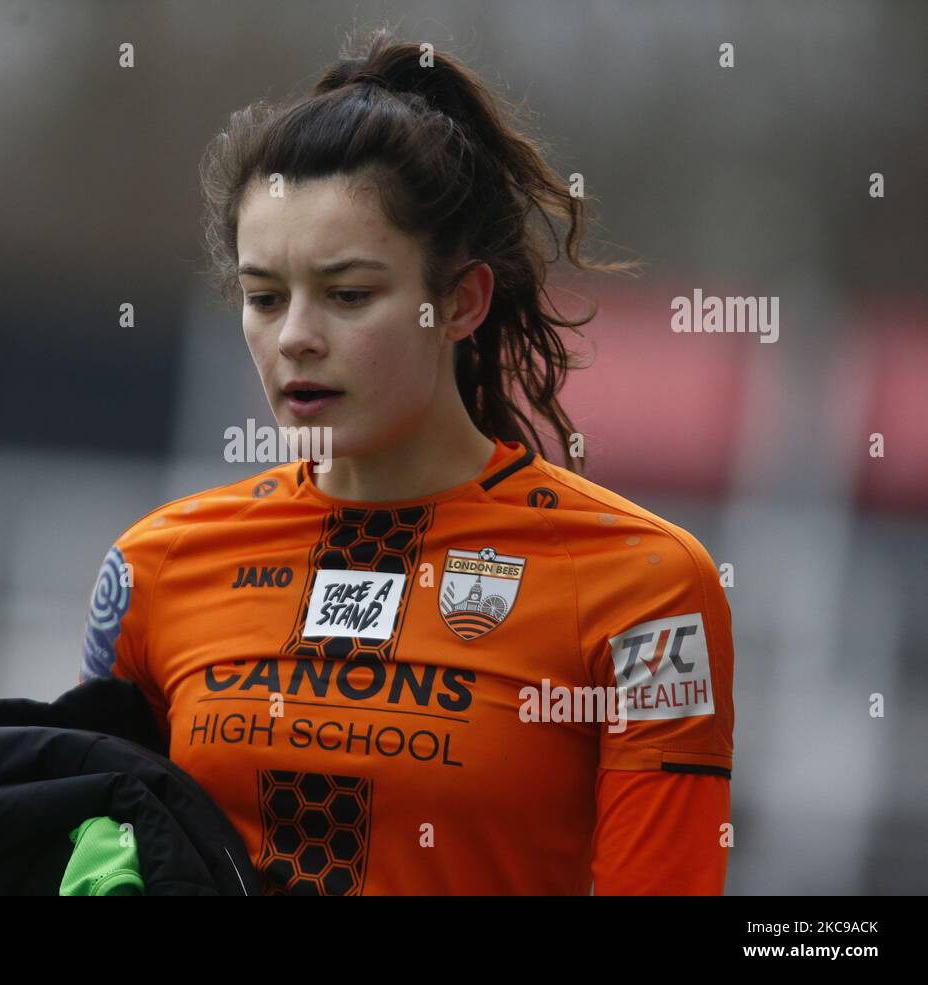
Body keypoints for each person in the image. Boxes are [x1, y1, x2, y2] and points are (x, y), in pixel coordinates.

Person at [78, 27, 733, 895]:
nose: (297, 337)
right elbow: (95, 849)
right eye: (264, 297)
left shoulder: (648, 591)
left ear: (460, 301)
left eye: (349, 295)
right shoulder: (154, 568)